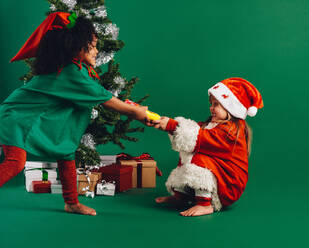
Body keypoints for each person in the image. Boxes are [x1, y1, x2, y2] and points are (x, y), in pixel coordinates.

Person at [0, 12, 152, 216]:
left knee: (66, 152)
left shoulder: (77, 69)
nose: (97, 50)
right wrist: (136, 112)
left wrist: (135, 109)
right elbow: (106, 100)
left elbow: (98, 94)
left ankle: (71, 203)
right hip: (16, 118)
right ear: (77, 45)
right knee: (16, 162)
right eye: (93, 45)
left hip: (23, 116)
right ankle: (71, 202)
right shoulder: (69, 72)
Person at [154, 77, 263, 216]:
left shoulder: (232, 131)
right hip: (220, 174)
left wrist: (172, 126)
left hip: (229, 182)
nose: (211, 107)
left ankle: (205, 205)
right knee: (187, 152)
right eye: (211, 103)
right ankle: (181, 197)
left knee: (199, 158)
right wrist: (171, 125)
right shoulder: (213, 123)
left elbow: (201, 138)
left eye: (216, 104)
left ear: (230, 108)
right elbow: (193, 129)